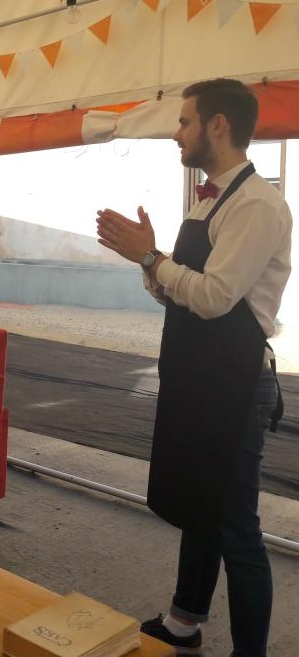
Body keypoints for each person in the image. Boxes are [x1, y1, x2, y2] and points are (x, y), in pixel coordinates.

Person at [96, 78, 290, 657]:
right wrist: (151, 264)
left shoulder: (257, 205)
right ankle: (184, 621)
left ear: (218, 125)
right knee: (200, 504)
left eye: (185, 122)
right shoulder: (208, 200)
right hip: (200, 376)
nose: (177, 133)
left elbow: (213, 298)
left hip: (235, 383)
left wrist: (151, 256)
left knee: (236, 525)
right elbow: (177, 293)